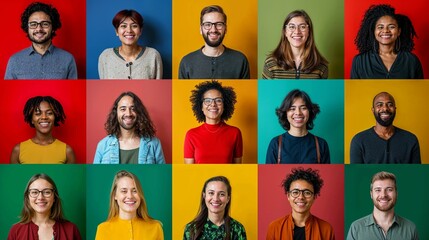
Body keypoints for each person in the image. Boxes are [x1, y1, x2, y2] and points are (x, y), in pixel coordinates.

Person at [5, 2, 77, 79]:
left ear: (53, 28)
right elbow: (8, 91)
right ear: (27, 29)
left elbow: (73, 90)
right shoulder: (15, 61)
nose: (39, 29)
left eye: (45, 24)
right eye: (33, 24)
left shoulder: (68, 59)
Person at [350, 4, 423, 79]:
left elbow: (420, 90)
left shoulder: (412, 61)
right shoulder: (360, 61)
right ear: (374, 31)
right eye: (380, 27)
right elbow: (354, 90)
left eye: (391, 27)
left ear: (399, 31)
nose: (385, 30)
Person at [178, 5, 250, 79]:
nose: (213, 30)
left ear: (225, 29)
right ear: (201, 29)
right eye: (207, 25)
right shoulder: (187, 62)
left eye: (219, 24)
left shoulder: (240, 60)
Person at [94, 91, 165, 164]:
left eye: (133, 109)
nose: (128, 114)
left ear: (139, 113)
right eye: (123, 109)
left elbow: (162, 174)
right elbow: (95, 175)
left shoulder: (154, 144)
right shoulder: (102, 145)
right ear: (116, 113)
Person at [350, 92, 420, 163]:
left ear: (395, 109)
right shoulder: (359, 140)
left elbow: (417, 172)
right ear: (373, 110)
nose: (385, 108)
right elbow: (356, 173)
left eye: (390, 105)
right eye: (379, 105)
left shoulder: (411, 140)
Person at [266, 168, 335, 240]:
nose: (301, 197)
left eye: (307, 193)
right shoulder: (274, 228)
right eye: (295, 192)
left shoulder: (326, 229)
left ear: (314, 197)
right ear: (288, 196)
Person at [7, 173, 81, 239]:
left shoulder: (71, 229)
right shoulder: (15, 230)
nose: (40, 197)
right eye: (34, 192)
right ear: (28, 198)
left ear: (54, 197)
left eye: (47, 192)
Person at [347, 171, 419, 240]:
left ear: (396, 193)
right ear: (371, 194)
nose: (383, 195)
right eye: (378, 190)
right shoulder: (356, 228)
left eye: (389, 189)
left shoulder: (410, 228)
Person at [184, 80, 242, 163]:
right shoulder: (191, 135)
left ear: (224, 105)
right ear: (201, 107)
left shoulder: (235, 133)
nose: (213, 104)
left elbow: (238, 167)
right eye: (207, 100)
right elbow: (188, 170)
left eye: (218, 100)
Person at [95, 170, 164, 239]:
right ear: (114, 195)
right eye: (124, 191)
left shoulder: (156, 227)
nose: (130, 196)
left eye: (135, 191)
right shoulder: (102, 229)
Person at [266, 89, 330, 164]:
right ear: (285, 113)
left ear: (310, 111)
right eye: (292, 109)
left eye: (303, 108)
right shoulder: (275, 143)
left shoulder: (321, 144)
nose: (298, 113)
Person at [262, 10, 328, 79]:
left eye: (302, 27)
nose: (297, 32)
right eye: (292, 27)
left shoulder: (322, 65)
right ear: (285, 32)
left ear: (309, 31)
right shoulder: (270, 63)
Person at [98, 9, 163, 79]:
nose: (129, 30)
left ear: (140, 31)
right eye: (123, 26)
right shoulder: (106, 56)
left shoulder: (153, 55)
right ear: (116, 31)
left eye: (134, 26)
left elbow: (157, 88)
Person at [10, 96, 76, 164]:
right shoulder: (18, 151)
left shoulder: (67, 151)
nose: (44, 117)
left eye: (49, 113)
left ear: (55, 118)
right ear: (32, 119)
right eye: (38, 113)